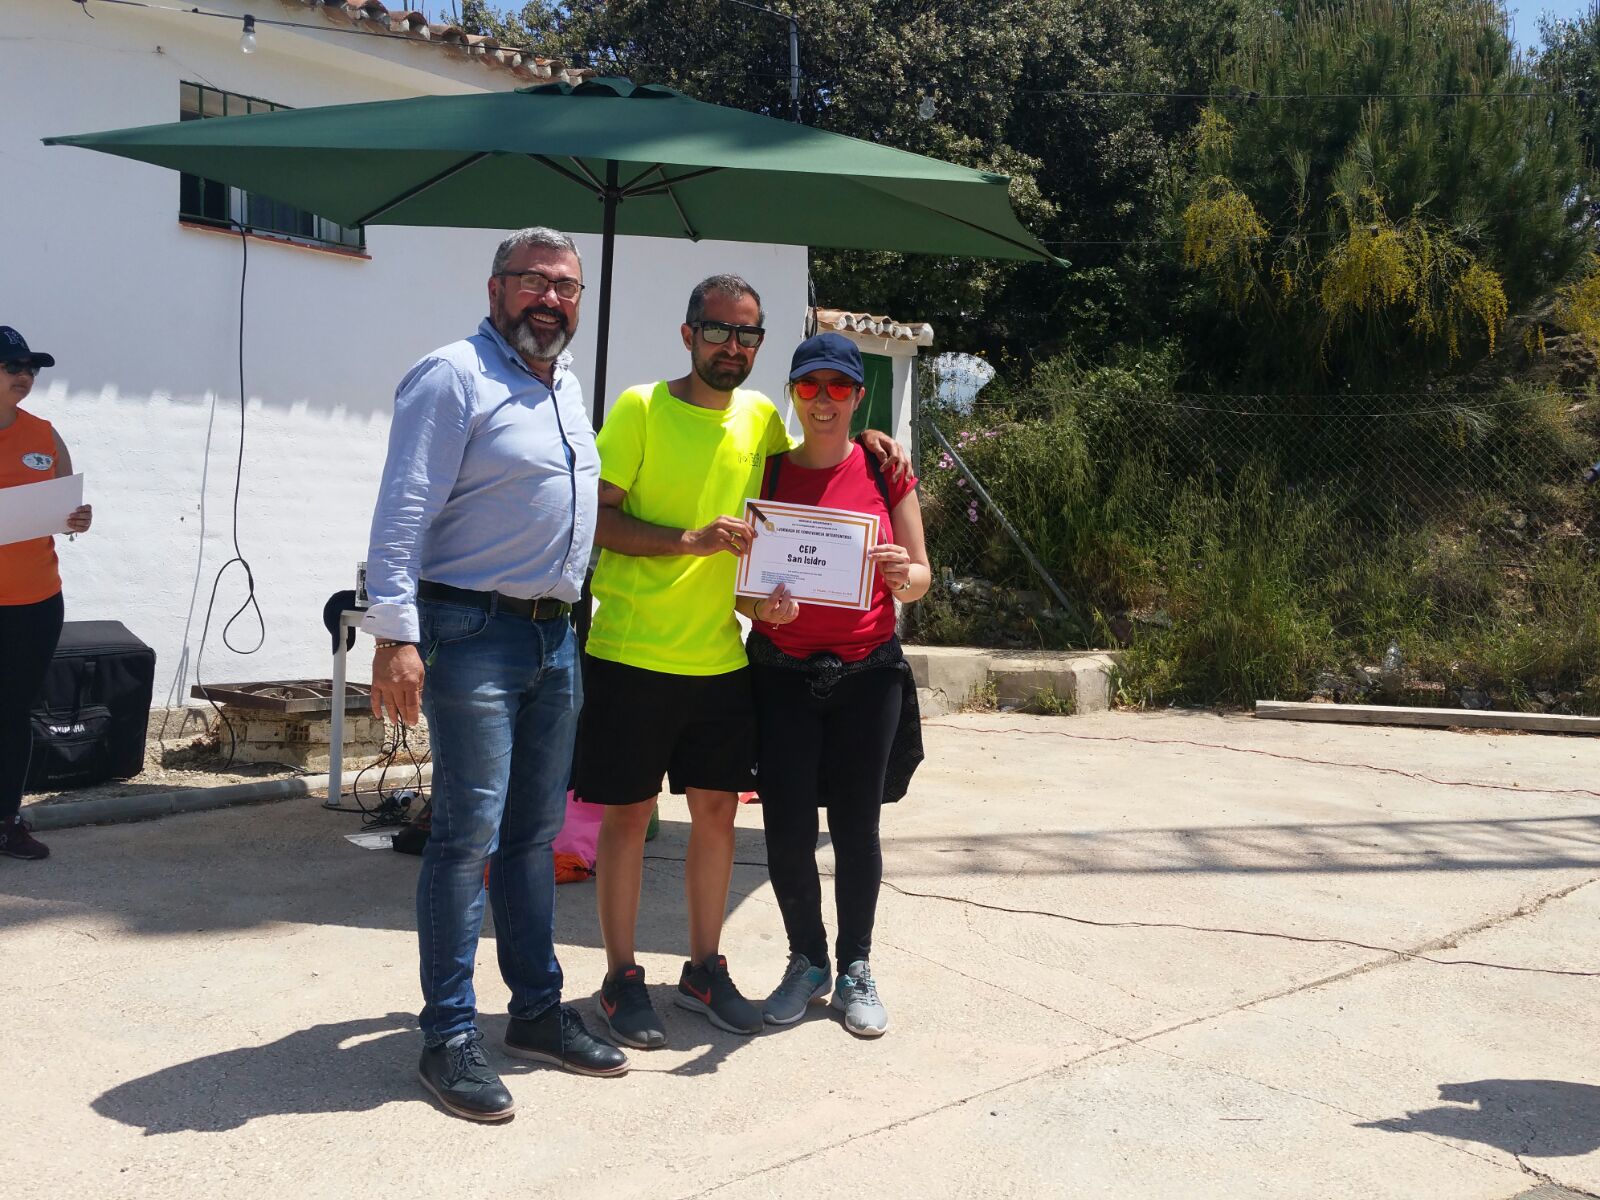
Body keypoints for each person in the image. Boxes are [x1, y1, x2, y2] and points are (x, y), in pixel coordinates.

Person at [577, 276, 908, 1050]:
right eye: (718, 330)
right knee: (628, 821)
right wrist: (689, 541)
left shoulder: (760, 419)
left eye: (747, 335)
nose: (732, 346)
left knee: (718, 819)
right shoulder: (640, 408)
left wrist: (870, 440)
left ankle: (703, 969)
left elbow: (815, 467)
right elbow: (594, 519)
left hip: (723, 658)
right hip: (630, 650)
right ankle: (622, 977)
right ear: (688, 333)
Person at [363, 227, 625, 1123]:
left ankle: (537, 1013)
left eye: (566, 287)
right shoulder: (453, 376)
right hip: (471, 629)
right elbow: (402, 512)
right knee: (466, 835)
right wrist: (394, 636)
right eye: (533, 282)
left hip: (555, 637)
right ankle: (447, 1036)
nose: (550, 300)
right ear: (495, 288)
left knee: (533, 834)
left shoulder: (565, 385)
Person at [740, 332, 929, 1039]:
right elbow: (743, 588)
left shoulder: (886, 471)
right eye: (810, 386)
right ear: (793, 393)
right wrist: (762, 608)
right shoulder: (766, 472)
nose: (824, 400)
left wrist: (900, 575)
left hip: (868, 674)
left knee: (856, 829)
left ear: (859, 395)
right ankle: (807, 961)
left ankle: (855, 966)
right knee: (787, 831)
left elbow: (921, 574)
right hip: (782, 673)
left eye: (839, 386)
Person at [0, 327, 92, 863]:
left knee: (13, 713)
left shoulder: (45, 434)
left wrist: (77, 519)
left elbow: (66, 509)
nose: (25, 376)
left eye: (30, 368)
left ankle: (6, 822)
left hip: (35, 601)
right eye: (12, 366)